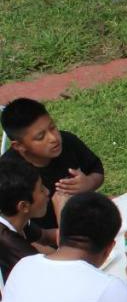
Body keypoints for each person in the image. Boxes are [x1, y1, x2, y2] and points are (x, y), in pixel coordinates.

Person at [1, 97, 105, 232]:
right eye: (40, 137)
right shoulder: (10, 174)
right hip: (48, 239)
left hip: (85, 218)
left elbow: (96, 169)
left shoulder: (68, 141)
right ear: (19, 146)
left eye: (52, 127)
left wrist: (89, 183)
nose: (54, 138)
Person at [0, 158, 53, 284]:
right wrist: (63, 210)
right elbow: (57, 273)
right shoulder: (9, 243)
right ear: (23, 206)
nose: (47, 191)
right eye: (41, 189)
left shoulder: (13, 217)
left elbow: (45, 237)